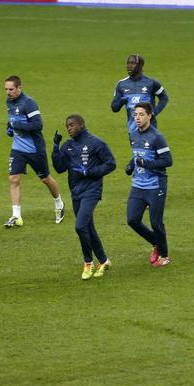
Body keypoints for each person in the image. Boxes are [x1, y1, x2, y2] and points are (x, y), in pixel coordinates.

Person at [51, 114, 117, 280]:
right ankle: (104, 260)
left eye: (72, 125)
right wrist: (55, 147)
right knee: (88, 228)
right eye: (67, 126)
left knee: (80, 226)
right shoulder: (68, 146)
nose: (69, 129)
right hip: (76, 192)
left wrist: (91, 172)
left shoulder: (96, 143)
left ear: (81, 125)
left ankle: (88, 262)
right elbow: (59, 168)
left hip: (92, 191)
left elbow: (111, 164)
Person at [4, 75, 64, 227]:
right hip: (18, 149)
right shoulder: (9, 102)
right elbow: (13, 121)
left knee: (45, 179)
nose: (8, 92)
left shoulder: (28, 103)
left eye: (11, 89)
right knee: (13, 179)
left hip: (34, 149)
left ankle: (59, 203)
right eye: (6, 89)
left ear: (19, 88)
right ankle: (16, 216)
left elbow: (38, 125)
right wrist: (10, 128)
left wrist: (17, 125)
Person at [125, 102, 173, 267]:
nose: (137, 118)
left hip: (155, 185)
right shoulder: (133, 134)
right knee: (132, 220)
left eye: (141, 114)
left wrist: (146, 163)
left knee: (156, 223)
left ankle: (165, 256)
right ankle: (155, 242)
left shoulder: (157, 137)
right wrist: (131, 164)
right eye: (135, 115)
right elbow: (136, 155)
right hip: (138, 185)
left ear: (149, 116)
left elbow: (168, 161)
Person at [111, 54, 169, 134]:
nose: (129, 66)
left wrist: (154, 112)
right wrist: (121, 102)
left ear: (140, 66)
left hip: (150, 129)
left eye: (133, 63)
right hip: (132, 131)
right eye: (128, 63)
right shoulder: (121, 84)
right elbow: (114, 108)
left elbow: (164, 98)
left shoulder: (151, 83)